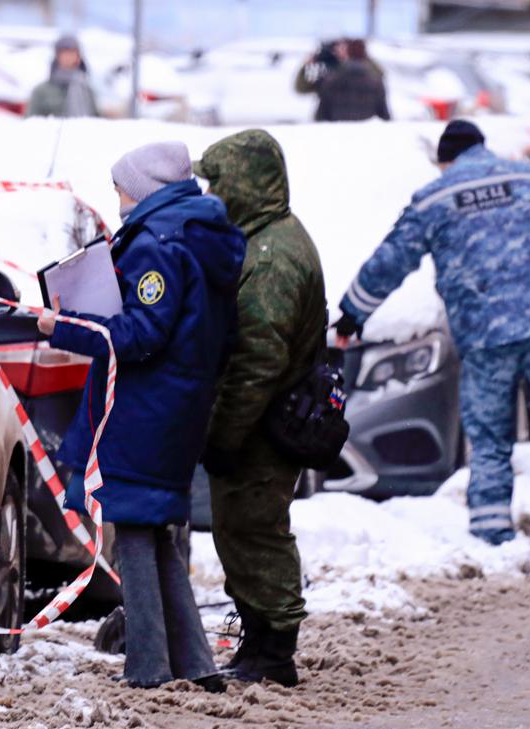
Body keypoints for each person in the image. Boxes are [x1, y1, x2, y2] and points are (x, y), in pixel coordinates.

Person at [335, 120, 530, 570]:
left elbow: (391, 260)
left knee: (488, 440)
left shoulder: (435, 198)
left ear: (446, 160)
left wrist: (352, 312)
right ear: (483, 148)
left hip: (484, 339)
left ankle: (492, 534)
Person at [37, 141, 246, 690]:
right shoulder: (193, 236)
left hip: (145, 406)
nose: (117, 194)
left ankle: (148, 668)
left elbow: (143, 332)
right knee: (153, 534)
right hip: (176, 404)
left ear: (148, 187)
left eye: (122, 184)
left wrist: (59, 325)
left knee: (134, 533)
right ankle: (195, 665)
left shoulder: (157, 243)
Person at [195, 129, 327, 687]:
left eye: (217, 181)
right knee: (243, 528)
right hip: (265, 419)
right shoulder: (264, 238)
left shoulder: (271, 257)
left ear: (245, 182)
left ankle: (274, 654)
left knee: (256, 530)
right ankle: (260, 644)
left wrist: (223, 436)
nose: (210, 192)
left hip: (263, 426)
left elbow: (256, 361)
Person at [315, 39, 391, 122]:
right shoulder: (376, 82)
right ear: (365, 55)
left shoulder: (330, 81)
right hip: (366, 132)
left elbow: (320, 117)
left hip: (337, 131)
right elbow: (385, 117)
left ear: (347, 54)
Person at [26, 34, 99, 118]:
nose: (68, 57)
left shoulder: (87, 90)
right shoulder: (41, 91)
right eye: (64, 53)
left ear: (78, 57)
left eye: (72, 52)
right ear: (57, 56)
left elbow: (95, 120)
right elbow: (31, 123)